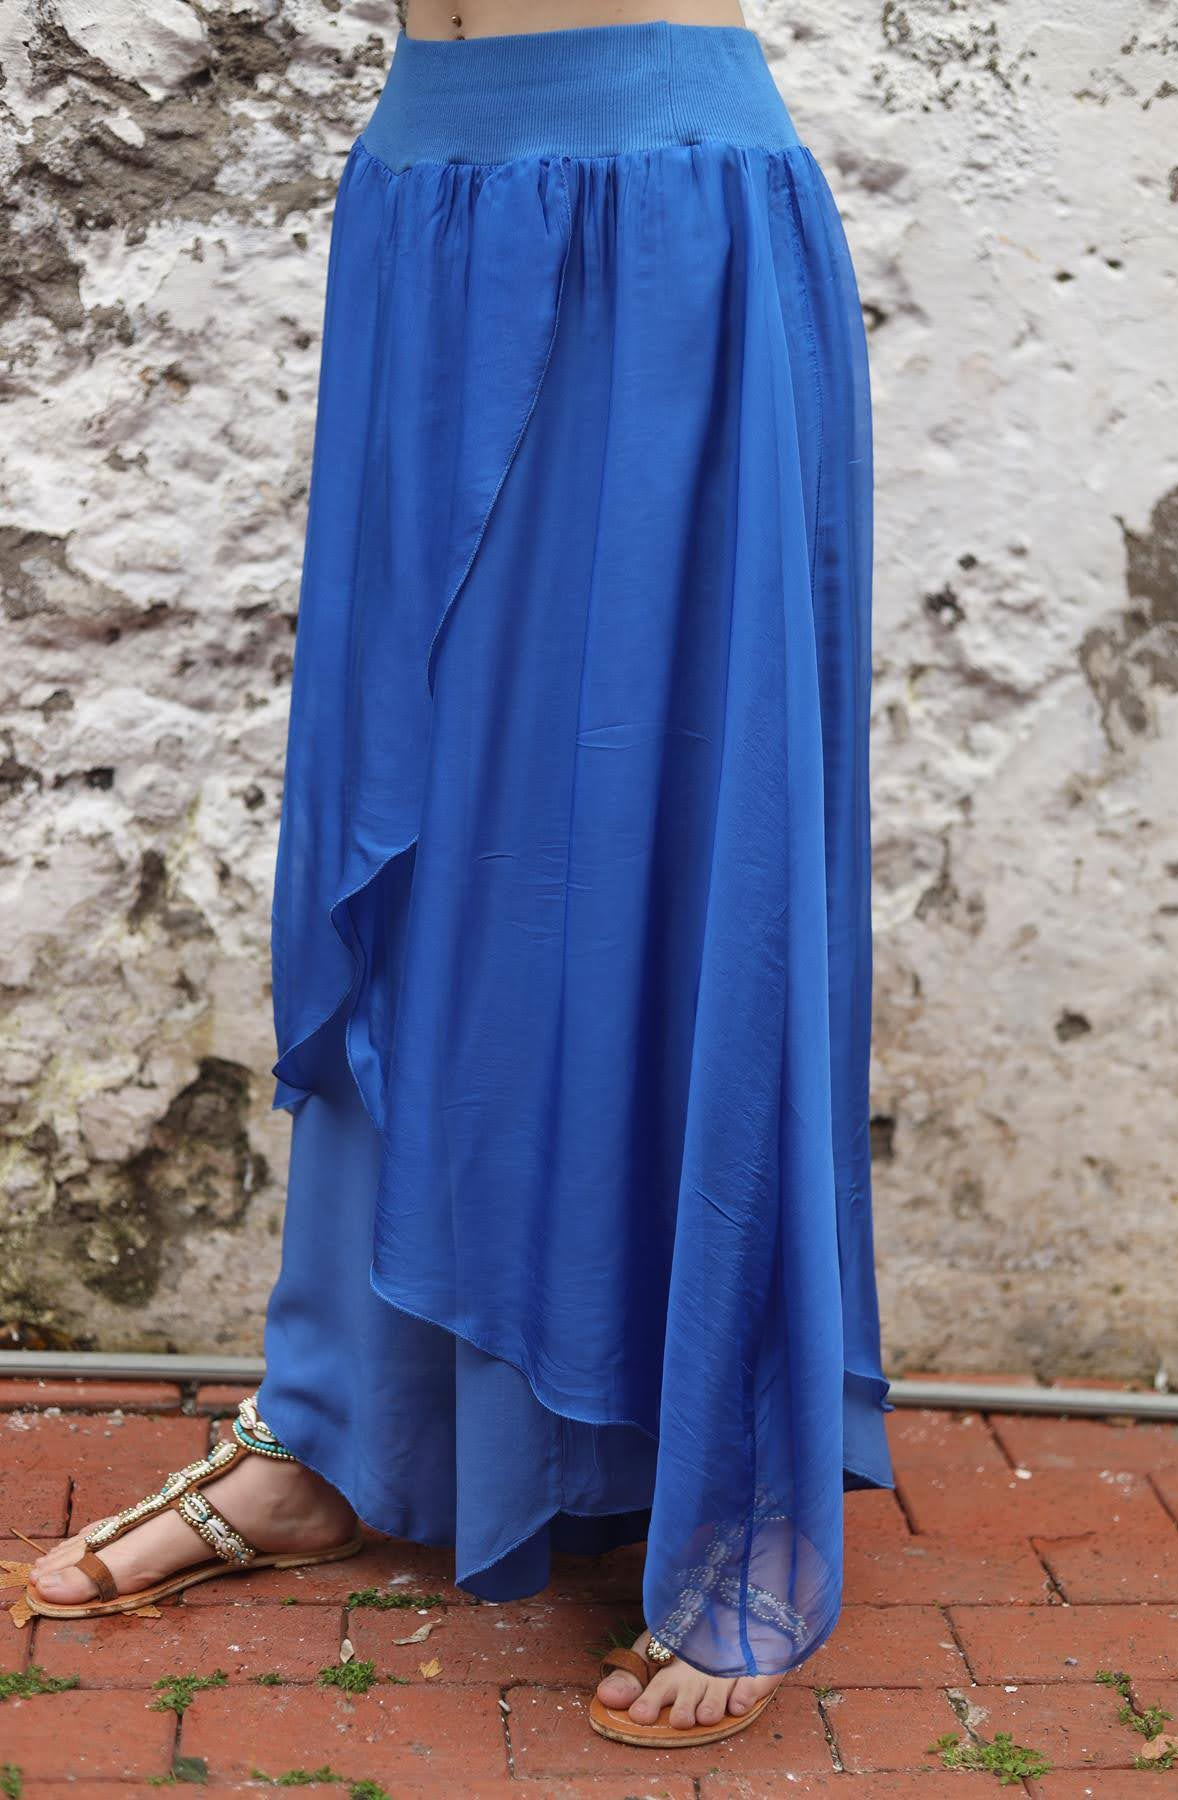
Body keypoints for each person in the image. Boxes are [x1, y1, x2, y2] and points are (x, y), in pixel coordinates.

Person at [23, 0, 895, 1748]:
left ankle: (731, 1492)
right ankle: (340, 1428)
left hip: (659, 200)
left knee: (677, 828)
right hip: (422, 183)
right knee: (407, 845)